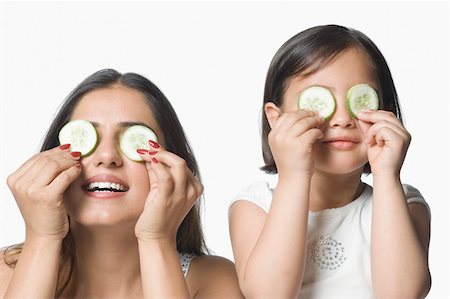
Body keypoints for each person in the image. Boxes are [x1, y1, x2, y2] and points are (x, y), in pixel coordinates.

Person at [0, 69, 243, 298]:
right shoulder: (5, 272)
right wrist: (42, 237)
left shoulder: (214, 280)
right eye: (85, 139)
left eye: (135, 142)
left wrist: (156, 240)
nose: (107, 157)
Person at [229, 25, 431, 298]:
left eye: (360, 100)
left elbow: (402, 294)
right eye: (319, 102)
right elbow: (269, 294)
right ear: (276, 119)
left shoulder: (404, 203)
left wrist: (387, 176)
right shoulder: (254, 206)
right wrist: (294, 175)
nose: (342, 119)